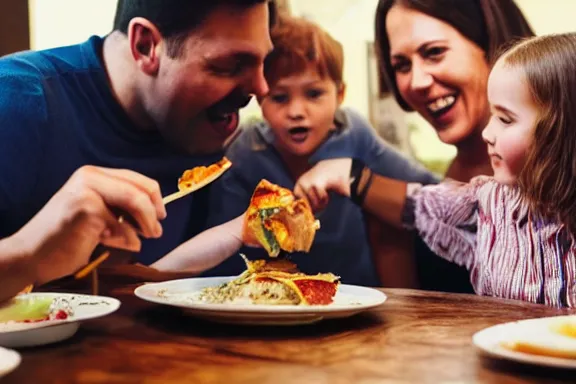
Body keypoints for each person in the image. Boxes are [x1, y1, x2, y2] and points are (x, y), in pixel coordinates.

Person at [0, 0, 275, 300]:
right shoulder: (16, 101)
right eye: (230, 66)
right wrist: (28, 253)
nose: (261, 88)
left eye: (264, 64)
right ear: (145, 46)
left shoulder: (207, 132)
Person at [153, 15, 439, 286]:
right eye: (279, 97)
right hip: (270, 303)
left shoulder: (355, 135)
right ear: (261, 99)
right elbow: (224, 247)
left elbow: (428, 189)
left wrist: (357, 179)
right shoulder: (245, 153)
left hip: (355, 297)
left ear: (340, 95)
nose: (297, 112)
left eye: (314, 94)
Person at [294, 33, 576, 307]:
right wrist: (351, 176)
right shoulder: (489, 203)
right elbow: (422, 205)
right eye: (492, 116)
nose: (488, 133)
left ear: (561, 127)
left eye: (505, 119)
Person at [373, 0, 535, 291]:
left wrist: (355, 181)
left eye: (434, 52)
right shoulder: (451, 174)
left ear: (490, 43)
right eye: (401, 65)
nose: (417, 81)